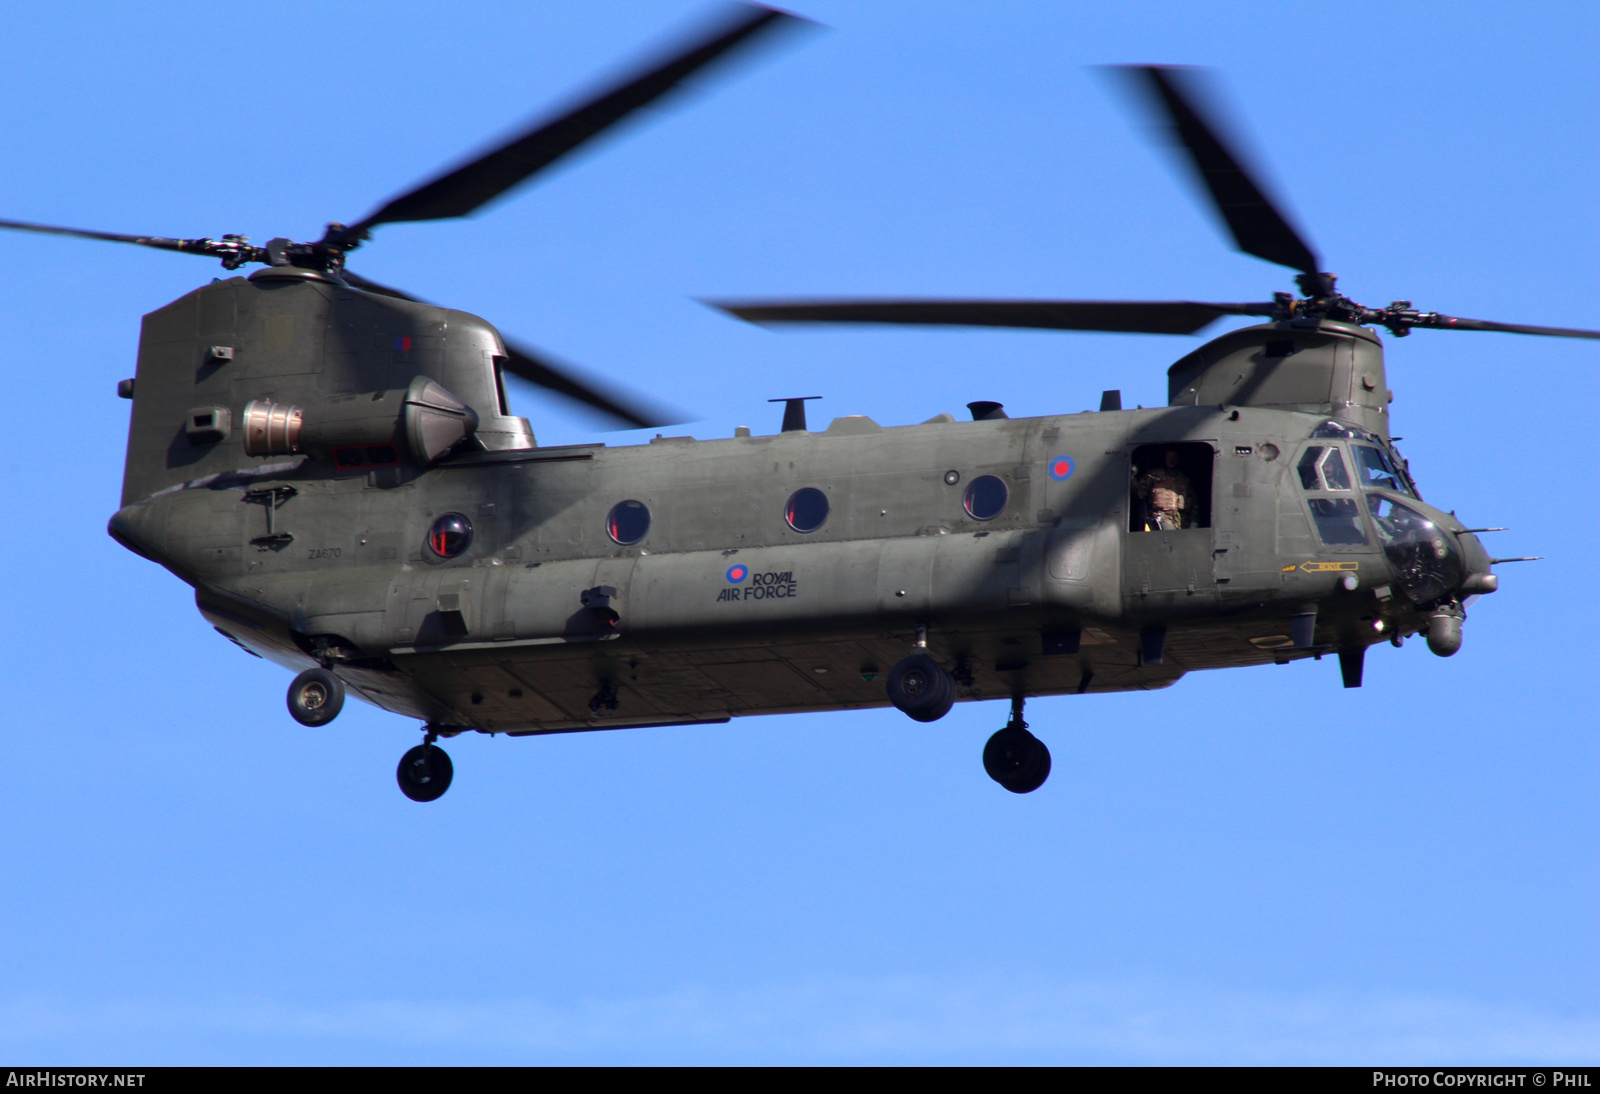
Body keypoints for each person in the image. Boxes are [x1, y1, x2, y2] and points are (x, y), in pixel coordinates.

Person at [1136, 449, 1192, 531]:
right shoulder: (1154, 475)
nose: (1171, 459)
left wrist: (1194, 522)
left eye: (1174, 456)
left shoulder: (1183, 478)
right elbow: (1140, 493)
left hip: (1179, 520)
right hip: (1161, 517)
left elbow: (1193, 502)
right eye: (1169, 456)